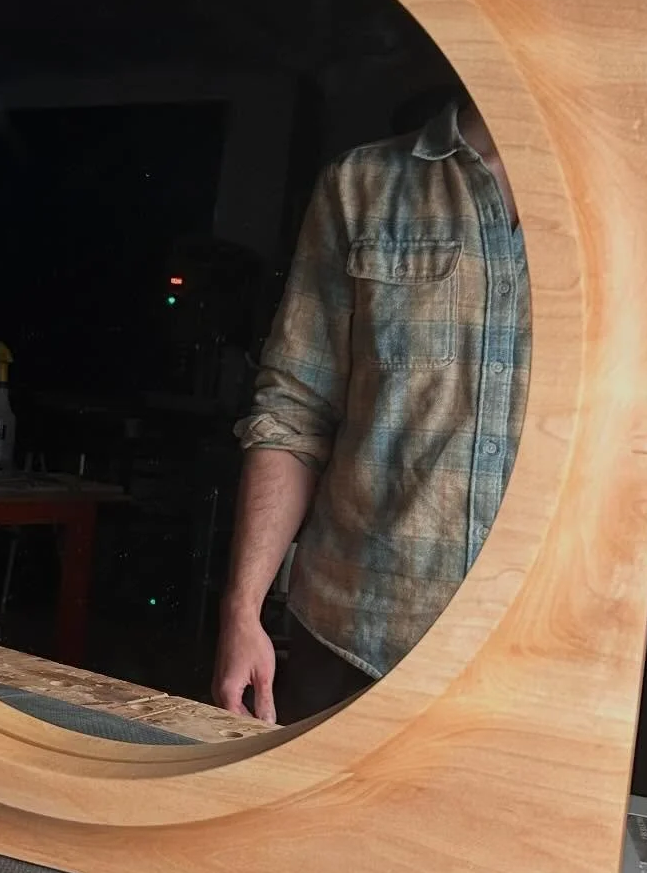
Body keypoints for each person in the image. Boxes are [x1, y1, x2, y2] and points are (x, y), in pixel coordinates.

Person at [213, 86, 530, 724]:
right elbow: (294, 410)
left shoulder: (630, 210)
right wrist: (242, 611)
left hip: (543, 650)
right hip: (354, 639)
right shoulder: (362, 186)